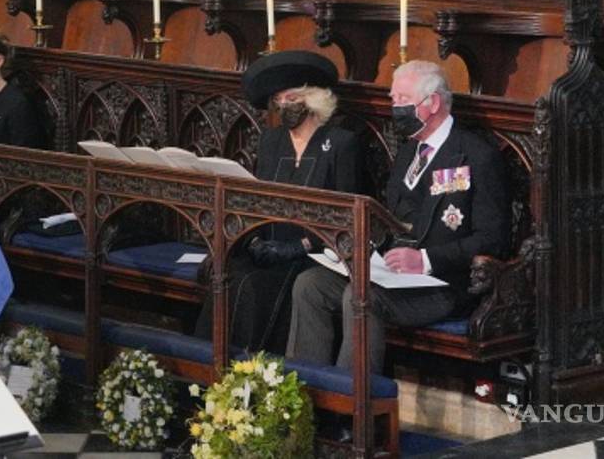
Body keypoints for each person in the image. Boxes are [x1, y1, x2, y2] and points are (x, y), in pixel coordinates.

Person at [287, 60, 508, 373]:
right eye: (393, 100)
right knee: (310, 285)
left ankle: (352, 406)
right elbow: (391, 217)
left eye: (402, 100)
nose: (395, 108)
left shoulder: (476, 156)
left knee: (359, 295)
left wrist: (426, 259)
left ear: (432, 103)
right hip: (391, 273)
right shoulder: (408, 152)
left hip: (442, 283)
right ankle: (306, 399)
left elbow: (493, 239)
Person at [193, 50, 361, 355]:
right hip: (269, 247)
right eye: (279, 100)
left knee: (258, 287)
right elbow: (257, 201)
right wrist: (255, 238)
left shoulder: (340, 143)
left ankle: (256, 369)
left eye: (291, 98)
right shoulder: (272, 141)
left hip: (314, 253)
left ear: (312, 99)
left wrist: (303, 245)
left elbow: (348, 215)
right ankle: (210, 363)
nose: (284, 106)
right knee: (229, 275)